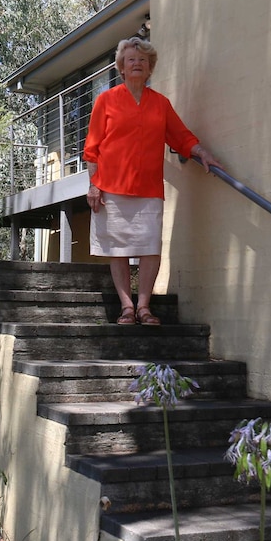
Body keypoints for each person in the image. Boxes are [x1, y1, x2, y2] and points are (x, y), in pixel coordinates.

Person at [84, 37, 223, 326]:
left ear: (150, 70)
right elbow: (92, 148)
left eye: (142, 61)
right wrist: (94, 184)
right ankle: (126, 307)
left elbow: (181, 136)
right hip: (110, 187)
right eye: (131, 59)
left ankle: (144, 306)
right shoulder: (106, 100)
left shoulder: (160, 104)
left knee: (150, 247)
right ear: (121, 68)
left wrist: (201, 152)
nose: (137, 63)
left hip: (148, 188)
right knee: (117, 249)